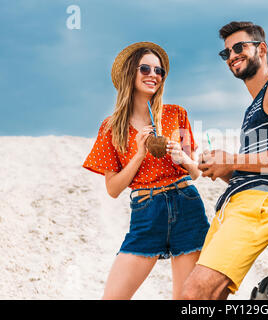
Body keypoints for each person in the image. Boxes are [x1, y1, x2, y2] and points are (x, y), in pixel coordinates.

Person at [181, 21, 268, 299]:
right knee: (206, 296)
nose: (231, 56)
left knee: (194, 294)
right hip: (240, 198)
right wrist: (222, 167)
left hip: (260, 201)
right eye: (226, 52)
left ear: (261, 49)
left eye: (239, 47)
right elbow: (258, 168)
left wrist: (233, 159)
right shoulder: (253, 107)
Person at [82, 42, 209, 300]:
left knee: (187, 302)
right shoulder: (111, 127)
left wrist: (183, 157)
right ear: (130, 72)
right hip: (147, 211)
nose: (154, 75)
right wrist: (138, 155)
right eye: (145, 68)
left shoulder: (176, 114)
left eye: (159, 71)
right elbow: (113, 189)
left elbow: (196, 173)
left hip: (186, 205)